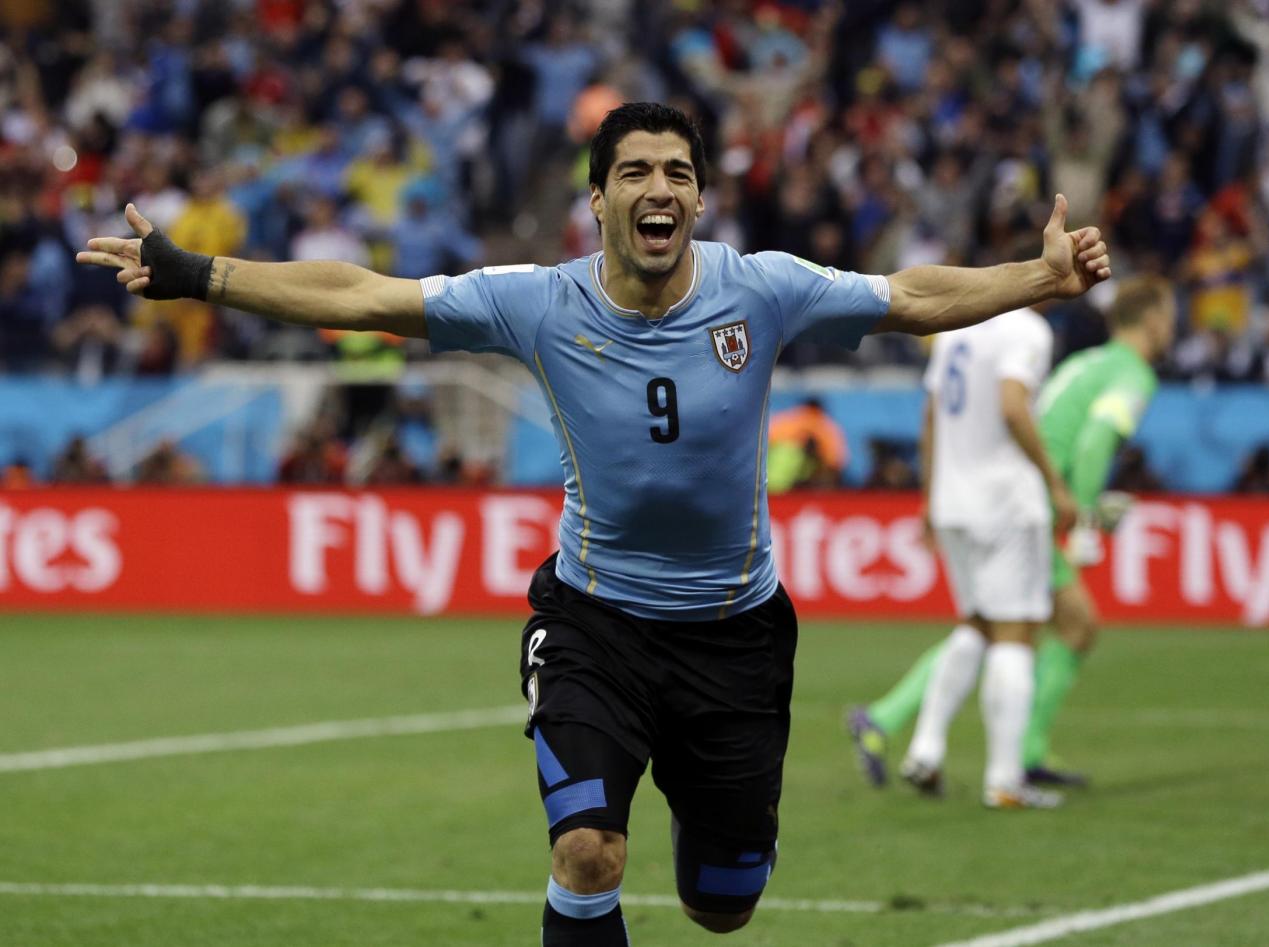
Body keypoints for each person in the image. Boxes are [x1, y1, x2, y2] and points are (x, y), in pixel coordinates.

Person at [79, 102, 1111, 945]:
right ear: (598, 199)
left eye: (677, 172)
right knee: (586, 852)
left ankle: (713, 832)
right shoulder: (536, 302)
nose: (659, 187)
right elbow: (361, 293)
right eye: (635, 172)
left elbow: (909, 295)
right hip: (594, 623)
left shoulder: (762, 289)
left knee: (723, 904)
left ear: (698, 198)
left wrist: (1041, 277)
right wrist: (197, 273)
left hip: (733, 635)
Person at [850, 276, 1173, 790]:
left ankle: (897, 727)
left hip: (975, 494)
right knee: (1037, 628)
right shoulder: (1126, 371)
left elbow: (939, 412)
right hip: (1023, 503)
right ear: (1153, 320)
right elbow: (1092, 441)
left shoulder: (1088, 361)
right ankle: (1014, 761)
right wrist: (1083, 514)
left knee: (988, 624)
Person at [854, 302, 1077, 810]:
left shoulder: (959, 328)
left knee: (976, 624)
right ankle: (1005, 780)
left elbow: (931, 414)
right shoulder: (1028, 328)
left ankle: (926, 750)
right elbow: (1013, 405)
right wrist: (1055, 483)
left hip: (954, 500)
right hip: (1005, 502)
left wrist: (930, 497)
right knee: (1016, 633)